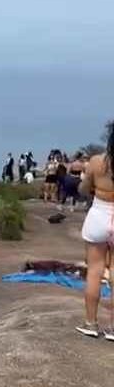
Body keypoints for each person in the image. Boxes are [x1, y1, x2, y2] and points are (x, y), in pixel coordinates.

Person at [76, 120, 114, 340]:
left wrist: (89, 183)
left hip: (99, 214)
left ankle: (91, 323)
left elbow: (82, 190)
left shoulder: (97, 161)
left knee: (94, 271)